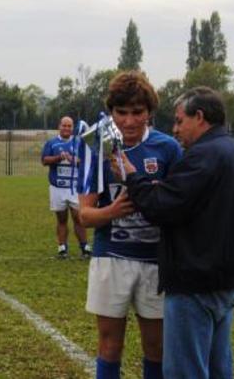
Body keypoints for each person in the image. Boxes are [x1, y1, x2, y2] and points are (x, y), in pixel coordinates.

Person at [123, 86, 234, 378]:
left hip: (197, 283)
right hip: (227, 281)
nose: (175, 128)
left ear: (200, 117)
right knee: (218, 368)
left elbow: (161, 207)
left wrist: (134, 177)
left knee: (186, 371)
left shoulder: (203, 156)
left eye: (180, 120)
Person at [77, 71, 182, 379]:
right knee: (109, 346)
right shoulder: (97, 147)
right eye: (121, 112)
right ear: (112, 112)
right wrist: (114, 210)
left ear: (149, 112)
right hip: (111, 258)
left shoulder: (168, 149)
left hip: (156, 262)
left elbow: (177, 207)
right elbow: (84, 214)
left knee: (156, 348)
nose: (129, 121)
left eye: (138, 112)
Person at [41, 116, 91, 259]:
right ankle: (62, 248)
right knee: (61, 219)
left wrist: (73, 160)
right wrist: (58, 158)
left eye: (69, 126)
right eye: (64, 125)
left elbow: (86, 162)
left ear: (72, 128)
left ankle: (85, 247)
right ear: (59, 126)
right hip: (57, 187)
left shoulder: (79, 142)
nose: (66, 128)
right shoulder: (51, 143)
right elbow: (44, 160)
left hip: (75, 187)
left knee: (78, 218)